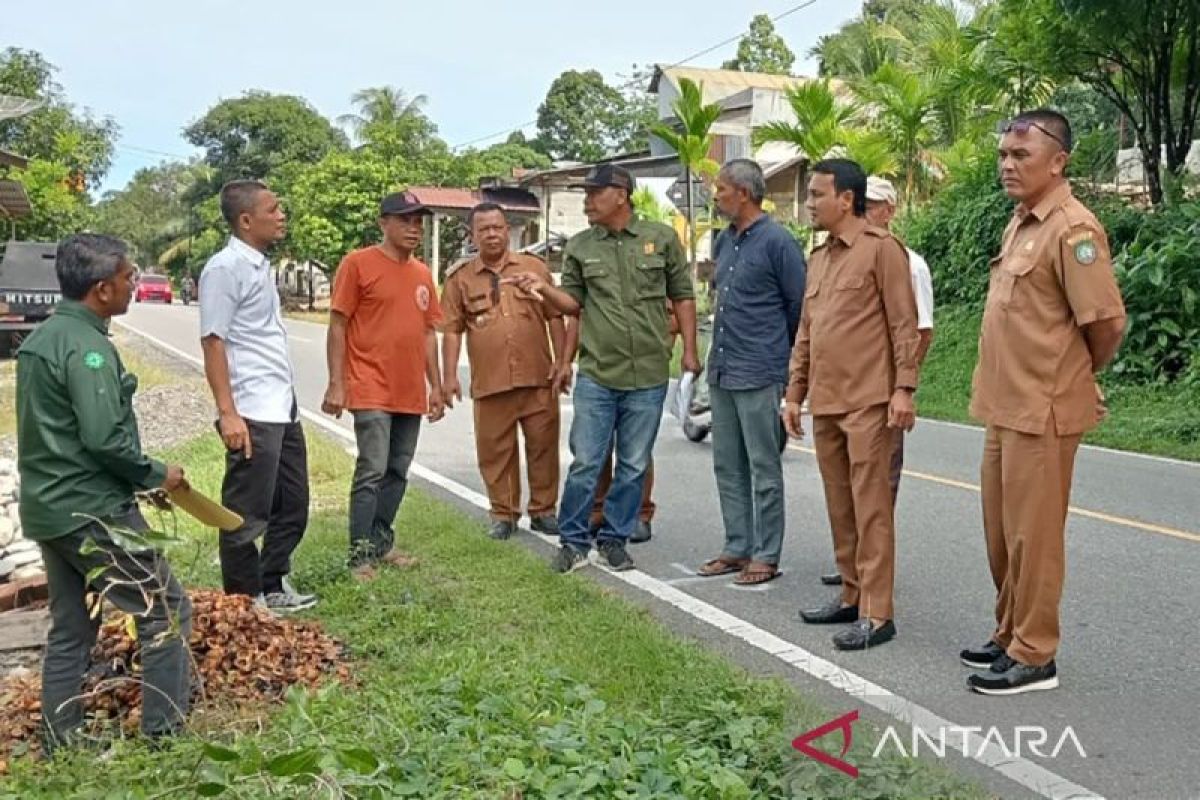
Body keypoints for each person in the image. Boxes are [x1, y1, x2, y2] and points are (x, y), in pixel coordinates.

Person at [961, 109, 1125, 695]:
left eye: (1020, 156)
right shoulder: (1020, 223)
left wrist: (1076, 374)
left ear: (1058, 162)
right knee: (1002, 534)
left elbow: (1104, 323)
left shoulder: (1073, 230)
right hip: (1003, 406)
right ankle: (1009, 633)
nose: (1007, 164)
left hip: (1044, 408)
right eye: (1003, 154)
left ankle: (1036, 654)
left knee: (1035, 537)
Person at [16, 234, 192, 750]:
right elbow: (101, 438)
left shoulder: (45, 338)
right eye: (129, 276)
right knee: (165, 609)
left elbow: (66, 438)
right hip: (91, 513)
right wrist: (156, 473)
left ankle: (61, 741)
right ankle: (165, 735)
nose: (135, 284)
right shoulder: (88, 349)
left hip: (50, 508)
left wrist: (137, 482)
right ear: (100, 288)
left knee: (72, 630)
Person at [506, 164, 699, 574]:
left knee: (633, 464)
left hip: (647, 372)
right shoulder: (579, 247)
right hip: (597, 372)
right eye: (586, 193)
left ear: (621, 195)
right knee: (586, 461)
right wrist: (542, 291)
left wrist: (689, 351)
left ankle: (615, 539)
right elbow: (572, 305)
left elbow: (683, 297)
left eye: (595, 193)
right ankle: (573, 541)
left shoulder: (661, 239)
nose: (587, 201)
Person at [783, 158, 920, 651]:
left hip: (870, 401)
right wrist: (794, 392)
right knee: (840, 504)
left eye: (817, 194)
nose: (809, 203)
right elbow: (807, 332)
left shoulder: (882, 251)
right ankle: (849, 593)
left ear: (847, 198)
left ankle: (877, 613)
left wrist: (904, 388)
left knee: (871, 507)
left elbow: (905, 324)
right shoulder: (819, 258)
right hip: (827, 401)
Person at [200, 180, 315, 611]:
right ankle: (243, 605)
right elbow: (213, 343)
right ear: (246, 220)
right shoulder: (224, 269)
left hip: (281, 406)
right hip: (251, 411)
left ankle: (272, 583)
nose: (281, 214)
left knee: (293, 503)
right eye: (273, 208)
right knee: (245, 516)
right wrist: (228, 413)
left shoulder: (259, 265)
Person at [695, 159, 806, 585]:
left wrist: (794, 371)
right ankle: (736, 545)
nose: (716, 196)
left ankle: (766, 553)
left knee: (763, 466)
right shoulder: (723, 242)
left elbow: (798, 308)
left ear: (743, 192)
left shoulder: (778, 242)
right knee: (727, 463)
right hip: (722, 368)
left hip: (760, 369)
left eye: (721, 189)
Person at [819, 175, 934, 587]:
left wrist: (902, 387)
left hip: (879, 395)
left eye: (873, 204)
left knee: (876, 494)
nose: (865, 211)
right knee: (846, 492)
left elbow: (917, 329)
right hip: (840, 394)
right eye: (861, 203)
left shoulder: (905, 260)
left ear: (891, 209)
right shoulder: (832, 256)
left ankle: (872, 589)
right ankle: (853, 576)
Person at [322, 191, 444, 576]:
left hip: (409, 391)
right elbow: (338, 325)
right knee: (372, 468)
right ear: (383, 223)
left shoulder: (423, 274)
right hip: (369, 384)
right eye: (405, 219)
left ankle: (380, 544)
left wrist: (436, 386)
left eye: (418, 221)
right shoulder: (358, 264)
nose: (413, 228)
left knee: (397, 470)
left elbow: (428, 334)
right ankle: (359, 556)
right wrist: (336, 383)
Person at [439, 202, 564, 540]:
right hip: (491, 382)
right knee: (495, 452)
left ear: (507, 229)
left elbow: (556, 315)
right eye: (484, 229)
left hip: (538, 378)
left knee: (543, 448)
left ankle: (543, 511)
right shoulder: (459, 279)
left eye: (497, 227)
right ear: (473, 235)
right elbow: (451, 330)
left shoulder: (534, 267)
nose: (492, 234)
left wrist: (562, 360)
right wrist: (448, 377)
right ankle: (503, 514)